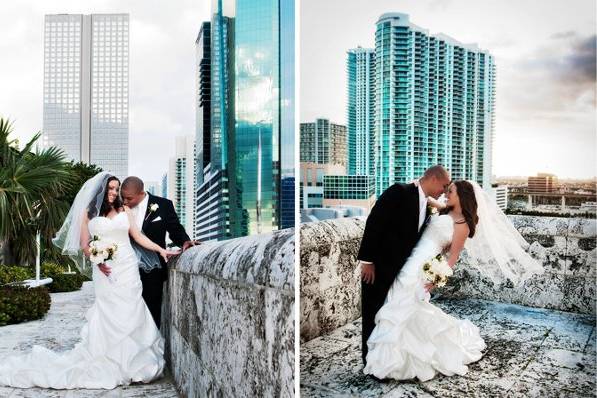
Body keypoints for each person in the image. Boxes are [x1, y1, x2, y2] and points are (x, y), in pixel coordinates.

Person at [0, 172, 179, 389]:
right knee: (110, 312)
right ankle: (109, 360)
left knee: (132, 308)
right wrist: (97, 259)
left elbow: (138, 237)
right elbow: (85, 244)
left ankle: (135, 364)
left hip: (128, 266)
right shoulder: (88, 213)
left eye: (117, 188)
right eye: (111, 188)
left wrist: (161, 249)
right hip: (106, 269)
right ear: (102, 190)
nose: (114, 192)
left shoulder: (125, 210)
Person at [362, 180, 544, 381]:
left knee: (403, 303)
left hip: (422, 268)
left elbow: (452, 258)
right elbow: (425, 197)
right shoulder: (443, 209)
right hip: (409, 259)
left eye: (451, 192)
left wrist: (435, 279)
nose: (446, 194)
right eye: (446, 190)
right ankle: (395, 357)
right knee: (399, 303)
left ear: (463, 196)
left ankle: (392, 361)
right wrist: (417, 184)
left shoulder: (463, 224)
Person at [358, 165, 452, 365]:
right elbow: (374, 223)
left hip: (402, 270)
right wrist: (367, 261)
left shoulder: (428, 203)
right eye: (443, 186)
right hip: (379, 266)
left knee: (386, 314)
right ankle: (370, 361)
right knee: (372, 312)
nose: (443, 192)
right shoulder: (399, 191)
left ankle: (382, 360)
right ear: (433, 179)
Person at [114, 176, 198, 329]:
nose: (125, 201)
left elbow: (175, 229)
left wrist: (185, 241)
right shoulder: (117, 207)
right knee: (124, 313)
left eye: (129, 198)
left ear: (141, 193)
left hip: (153, 271)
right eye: (123, 197)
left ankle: (150, 349)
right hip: (124, 269)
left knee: (152, 311)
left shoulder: (164, 205)